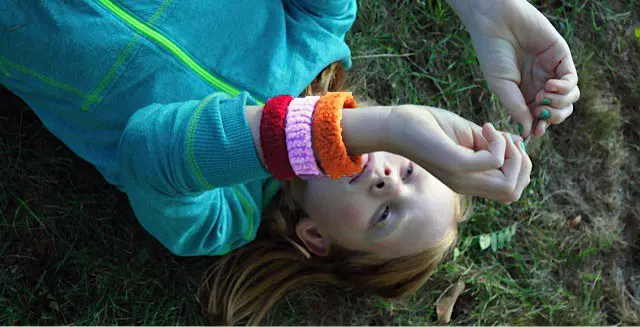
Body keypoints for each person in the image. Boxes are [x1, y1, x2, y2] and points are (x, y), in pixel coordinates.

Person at [0, 0, 579, 324]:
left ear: (316, 239)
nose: (385, 177)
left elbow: (153, 147)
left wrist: (379, 128)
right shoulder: (319, 30)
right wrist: (485, 9)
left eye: (385, 215)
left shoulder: (219, 220)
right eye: (409, 168)